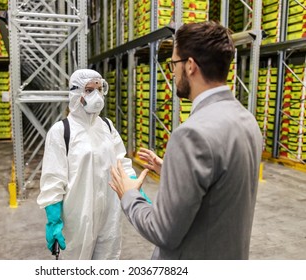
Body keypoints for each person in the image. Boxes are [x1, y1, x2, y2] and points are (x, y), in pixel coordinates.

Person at [109, 21, 263, 260]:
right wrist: (172, 171)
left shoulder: (192, 134)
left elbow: (163, 231)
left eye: (174, 63)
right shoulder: (247, 120)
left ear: (190, 66)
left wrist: (129, 195)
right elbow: (222, 181)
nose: (173, 72)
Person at [37, 69, 149, 260]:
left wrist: (134, 190)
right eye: (89, 90)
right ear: (76, 93)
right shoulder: (61, 131)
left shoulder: (106, 126)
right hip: (78, 217)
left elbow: (121, 162)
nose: (96, 96)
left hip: (109, 215)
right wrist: (54, 219)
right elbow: (53, 179)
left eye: (99, 89)